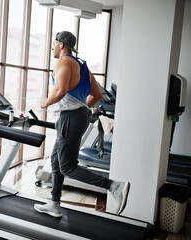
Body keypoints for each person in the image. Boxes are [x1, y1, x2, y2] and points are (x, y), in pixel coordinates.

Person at [34, 31, 130, 217]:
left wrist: (45, 102)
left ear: (61, 45)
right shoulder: (82, 66)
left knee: (67, 166)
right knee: (56, 160)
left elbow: (61, 91)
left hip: (69, 118)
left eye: (54, 43)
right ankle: (54, 203)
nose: (52, 47)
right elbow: (97, 96)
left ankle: (114, 186)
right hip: (80, 115)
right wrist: (81, 107)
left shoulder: (63, 63)